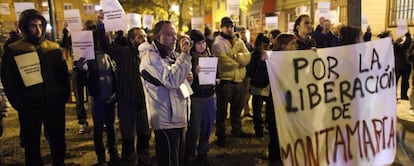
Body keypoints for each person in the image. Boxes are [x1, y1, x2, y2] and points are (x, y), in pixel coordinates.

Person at [1, 9, 70, 165]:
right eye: (33, 26)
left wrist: (62, 97)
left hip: (54, 105)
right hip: (29, 106)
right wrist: (20, 105)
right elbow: (8, 81)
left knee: (58, 141)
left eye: (40, 25)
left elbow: (63, 76)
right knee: (31, 145)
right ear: (25, 27)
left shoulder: (52, 47)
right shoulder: (14, 50)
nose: (38, 30)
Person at [139, 20, 192, 166]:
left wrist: (187, 79)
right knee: (168, 161)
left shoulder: (172, 55)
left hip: (178, 116)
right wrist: (185, 57)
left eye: (175, 34)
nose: (174, 38)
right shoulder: (150, 59)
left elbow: (178, 81)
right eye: (169, 34)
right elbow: (171, 81)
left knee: (178, 160)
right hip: (165, 120)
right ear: (157, 37)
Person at [78, 21, 120, 166]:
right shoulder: (86, 58)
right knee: (98, 128)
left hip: (110, 96)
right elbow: (81, 76)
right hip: (97, 97)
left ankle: (113, 154)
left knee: (111, 127)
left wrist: (102, 25)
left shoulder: (107, 54)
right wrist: (80, 64)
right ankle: (101, 157)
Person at [110, 27, 151, 166]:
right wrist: (103, 26)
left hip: (144, 104)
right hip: (127, 103)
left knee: (145, 135)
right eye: (140, 37)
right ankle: (129, 161)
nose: (144, 40)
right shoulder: (123, 53)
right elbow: (106, 45)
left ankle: (144, 161)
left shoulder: (150, 55)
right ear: (132, 40)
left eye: (145, 36)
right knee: (128, 138)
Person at [212, 16, 251, 147]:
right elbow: (223, 63)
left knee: (237, 108)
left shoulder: (239, 41)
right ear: (221, 27)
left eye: (231, 26)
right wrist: (240, 61)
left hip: (239, 80)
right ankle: (221, 134)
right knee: (222, 110)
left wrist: (235, 57)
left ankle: (237, 129)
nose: (229, 29)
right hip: (225, 80)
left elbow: (247, 57)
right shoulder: (218, 43)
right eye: (227, 26)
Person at [184, 29, 216, 165]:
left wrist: (216, 79)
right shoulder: (188, 59)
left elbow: (216, 74)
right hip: (196, 98)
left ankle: (203, 152)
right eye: (198, 43)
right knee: (194, 128)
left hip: (210, 97)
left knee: (208, 126)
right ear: (193, 45)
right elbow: (185, 82)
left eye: (203, 42)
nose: (202, 45)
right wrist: (194, 75)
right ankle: (189, 153)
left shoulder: (210, 56)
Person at [247, 33, 271, 139]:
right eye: (264, 46)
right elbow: (249, 70)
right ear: (259, 46)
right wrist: (261, 61)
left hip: (268, 86)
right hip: (257, 87)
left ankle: (267, 127)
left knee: (269, 109)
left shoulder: (271, 54)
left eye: (268, 46)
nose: (266, 48)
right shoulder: (254, 56)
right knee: (257, 110)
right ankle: (259, 130)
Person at [378, 30, 412, 100]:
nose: (392, 35)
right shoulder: (391, 43)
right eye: (390, 35)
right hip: (395, 64)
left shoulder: (397, 42)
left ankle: (401, 95)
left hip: (400, 64)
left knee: (402, 81)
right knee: (393, 81)